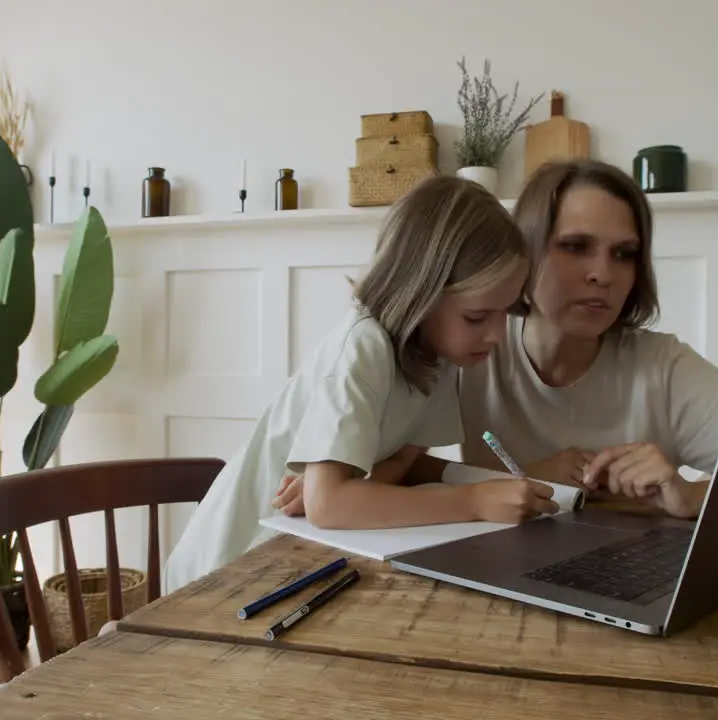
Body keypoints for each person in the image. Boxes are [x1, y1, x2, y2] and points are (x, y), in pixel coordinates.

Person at [164, 175, 556, 593]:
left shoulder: (439, 357)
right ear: (420, 294)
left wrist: (348, 489)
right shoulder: (363, 346)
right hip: (224, 566)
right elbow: (328, 506)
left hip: (292, 554)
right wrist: (474, 502)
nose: (497, 335)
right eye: (478, 317)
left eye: (505, 313)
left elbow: (402, 461)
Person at [447, 159, 718, 518]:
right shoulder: (470, 347)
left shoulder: (664, 368)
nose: (603, 274)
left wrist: (693, 495)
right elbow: (397, 476)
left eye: (624, 254)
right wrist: (528, 478)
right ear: (526, 251)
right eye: (575, 246)